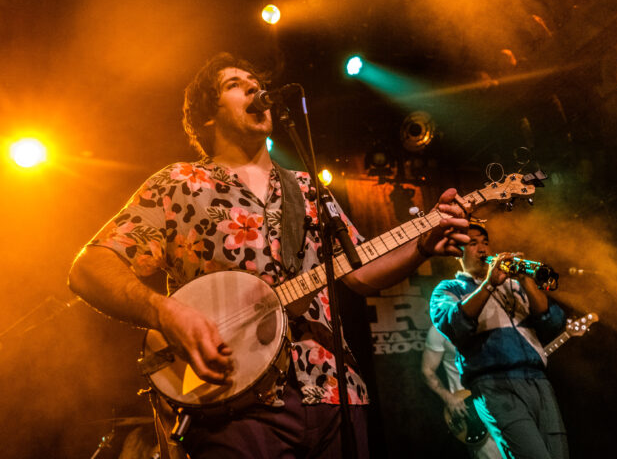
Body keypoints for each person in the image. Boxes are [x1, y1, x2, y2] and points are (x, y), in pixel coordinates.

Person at [68, 52, 469, 459]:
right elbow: (89, 268)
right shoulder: (179, 183)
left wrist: (421, 244)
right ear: (208, 115)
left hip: (334, 392)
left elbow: (359, 272)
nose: (254, 90)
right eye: (234, 85)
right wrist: (165, 313)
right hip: (233, 401)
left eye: (255, 82)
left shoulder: (309, 187)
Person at [429, 224, 568, 459]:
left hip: (538, 380)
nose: (482, 249)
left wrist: (526, 281)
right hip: (494, 384)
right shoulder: (448, 289)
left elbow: (551, 321)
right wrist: (488, 284)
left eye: (485, 242)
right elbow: (453, 323)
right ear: (457, 253)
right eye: (473, 243)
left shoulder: (513, 285)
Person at [422, 324, 502, 459]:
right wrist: (449, 398)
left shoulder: (495, 321)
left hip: (505, 402)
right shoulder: (439, 327)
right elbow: (427, 370)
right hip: (472, 412)